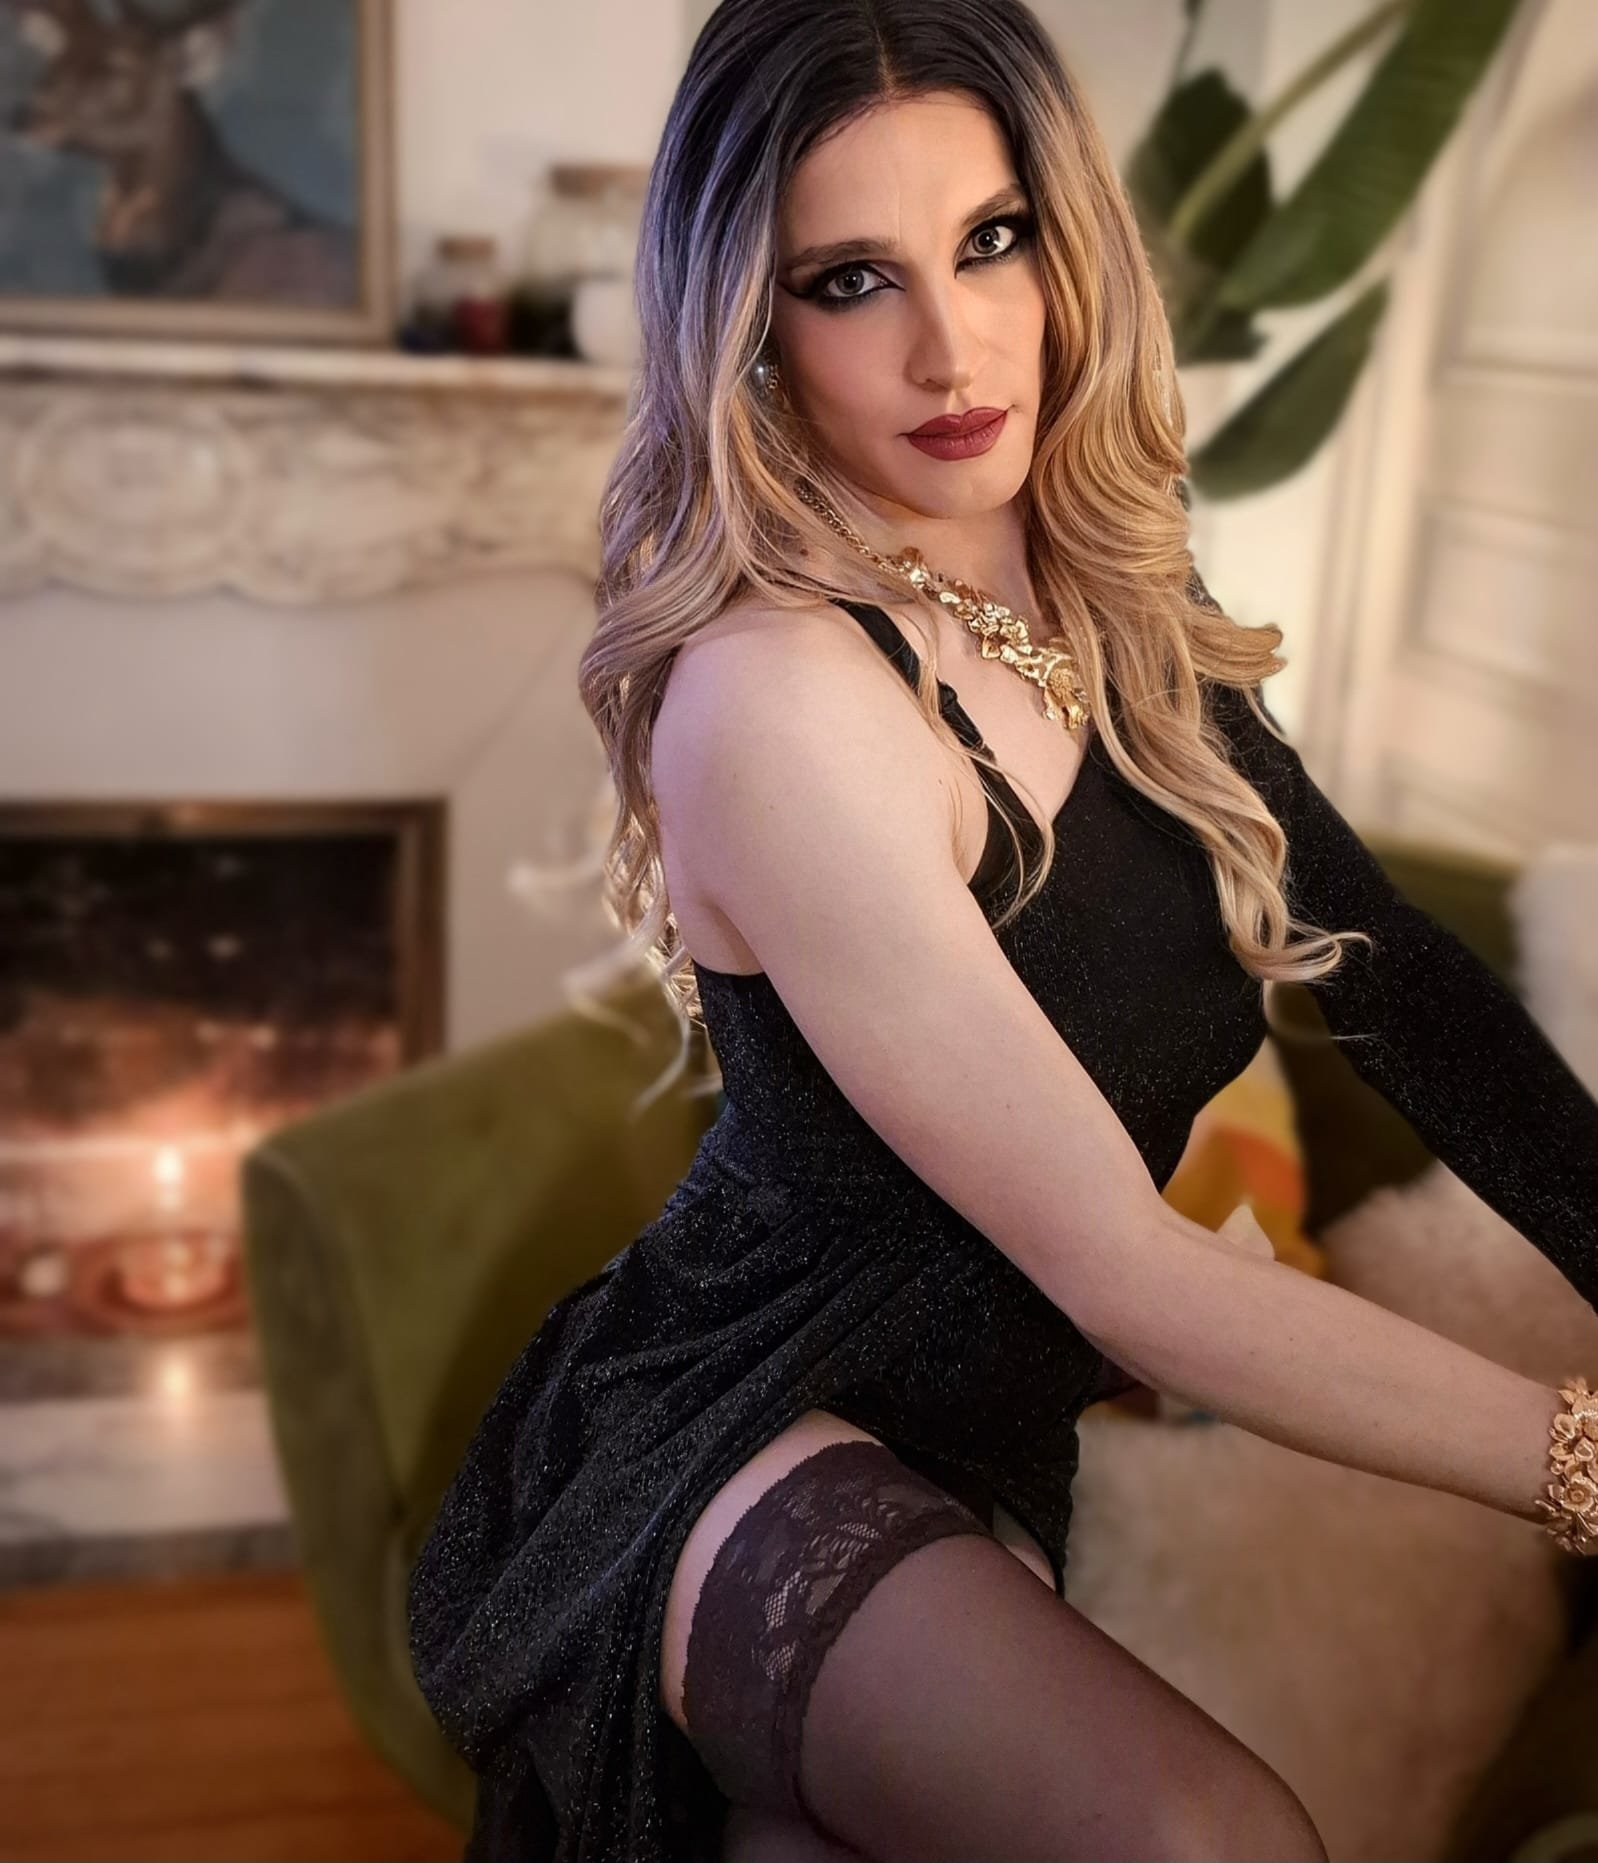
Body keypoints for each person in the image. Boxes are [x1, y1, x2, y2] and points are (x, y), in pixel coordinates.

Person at [406, 3, 1598, 1858]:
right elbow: (1125, 1272)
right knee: (1201, 1839)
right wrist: (1578, 1461)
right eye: (850, 280)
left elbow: (1390, 974)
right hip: (737, 1421)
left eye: (989, 240)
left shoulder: (1108, 587)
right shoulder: (783, 697)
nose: (950, 349)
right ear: (748, 326)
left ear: (1066, 242)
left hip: (983, 1437)